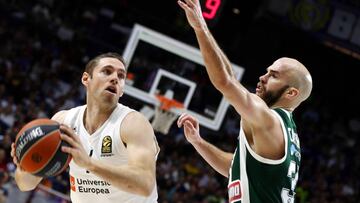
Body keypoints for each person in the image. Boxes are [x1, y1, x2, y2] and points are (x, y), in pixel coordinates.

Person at [177, 0, 312, 202]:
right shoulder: (287, 133)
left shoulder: (269, 119)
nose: (262, 77)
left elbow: (225, 81)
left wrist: (200, 27)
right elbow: (237, 167)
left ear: (291, 93)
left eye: (274, 76)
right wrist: (199, 142)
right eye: (267, 71)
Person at [10, 52, 159, 203]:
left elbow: (145, 185)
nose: (115, 78)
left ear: (122, 90)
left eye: (121, 76)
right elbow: (25, 185)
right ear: (86, 79)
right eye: (107, 71)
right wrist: (25, 166)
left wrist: (89, 164)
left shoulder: (133, 123)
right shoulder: (63, 122)